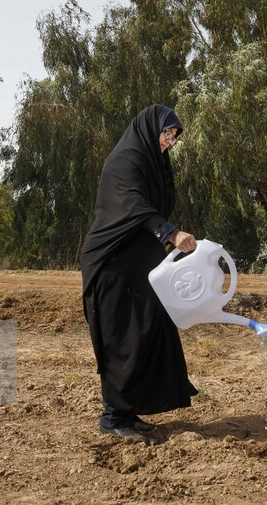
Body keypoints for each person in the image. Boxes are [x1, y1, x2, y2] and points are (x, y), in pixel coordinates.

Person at [80, 104, 198, 444]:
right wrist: (170, 233)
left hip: (139, 265)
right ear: (149, 130)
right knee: (122, 338)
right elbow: (133, 205)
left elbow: (158, 203)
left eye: (174, 137)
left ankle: (129, 411)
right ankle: (113, 415)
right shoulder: (123, 163)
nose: (169, 142)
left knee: (147, 332)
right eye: (166, 134)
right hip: (112, 264)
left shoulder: (153, 162)